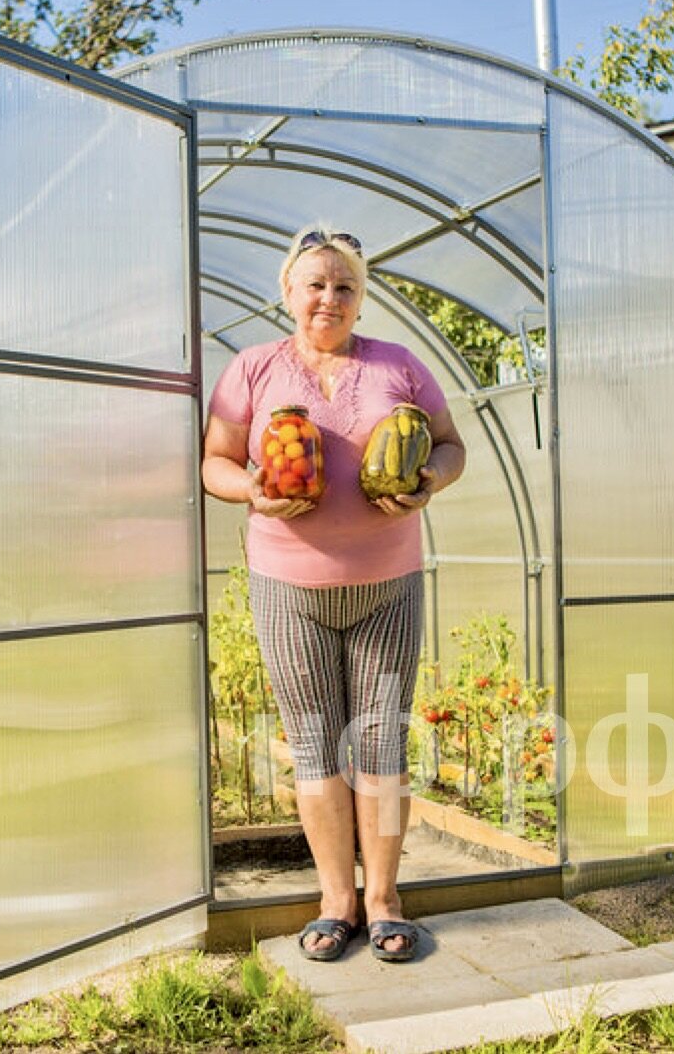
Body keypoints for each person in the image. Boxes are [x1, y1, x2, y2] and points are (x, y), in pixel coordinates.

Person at [201, 226, 466, 962]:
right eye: (315, 283)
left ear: (361, 296)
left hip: (388, 585)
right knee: (317, 745)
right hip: (290, 586)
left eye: (344, 285)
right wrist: (250, 488)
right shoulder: (252, 370)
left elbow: (449, 445)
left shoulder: (398, 365)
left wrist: (429, 483)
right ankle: (335, 902)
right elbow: (215, 462)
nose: (329, 297)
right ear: (288, 291)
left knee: (381, 738)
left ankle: (384, 900)